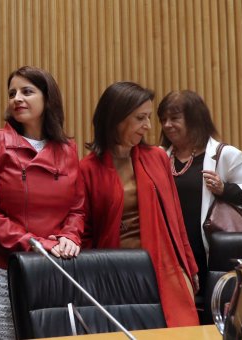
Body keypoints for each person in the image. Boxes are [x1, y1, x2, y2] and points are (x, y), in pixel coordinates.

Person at [0, 66, 84, 339]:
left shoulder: (68, 149)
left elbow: (77, 208)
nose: (17, 98)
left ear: (48, 99)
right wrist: (37, 243)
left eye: (27, 91)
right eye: (12, 93)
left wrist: (71, 235)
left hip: (49, 268)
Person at [80, 81, 199, 327]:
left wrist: (189, 266)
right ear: (116, 119)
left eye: (147, 117)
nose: (148, 126)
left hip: (165, 265)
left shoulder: (156, 158)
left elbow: (176, 219)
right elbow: (86, 232)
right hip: (115, 271)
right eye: (140, 118)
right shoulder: (88, 168)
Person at [157, 90, 242, 307]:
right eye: (163, 119)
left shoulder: (224, 155)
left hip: (207, 250)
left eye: (174, 118)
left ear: (195, 119)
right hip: (171, 251)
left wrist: (224, 189)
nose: (167, 125)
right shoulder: (159, 156)